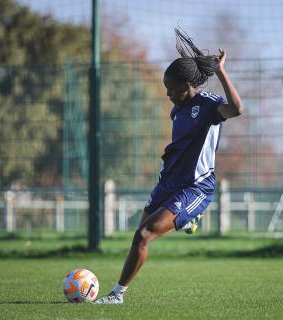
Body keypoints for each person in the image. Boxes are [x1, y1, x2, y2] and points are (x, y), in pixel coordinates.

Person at [93, 28, 243, 305]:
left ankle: (116, 295)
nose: (167, 94)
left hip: (195, 187)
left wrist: (221, 72)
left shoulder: (209, 105)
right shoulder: (177, 109)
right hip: (168, 182)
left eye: (170, 88)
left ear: (187, 85)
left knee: (144, 233)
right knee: (139, 238)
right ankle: (187, 219)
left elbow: (236, 108)